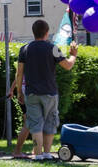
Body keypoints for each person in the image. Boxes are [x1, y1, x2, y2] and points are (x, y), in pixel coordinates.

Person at [15, 19, 77, 159]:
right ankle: (47, 153)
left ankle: (38, 155)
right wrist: (73, 55)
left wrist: (19, 92)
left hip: (31, 93)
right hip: (50, 92)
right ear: (47, 32)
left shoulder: (25, 49)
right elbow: (67, 66)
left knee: (35, 124)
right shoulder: (53, 48)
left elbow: (19, 73)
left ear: (34, 32)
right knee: (50, 122)